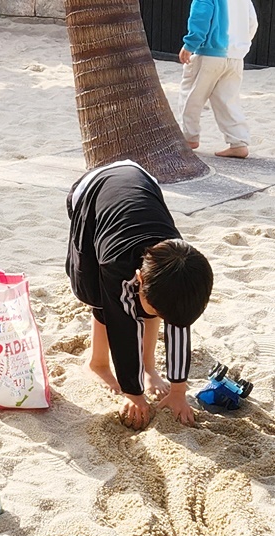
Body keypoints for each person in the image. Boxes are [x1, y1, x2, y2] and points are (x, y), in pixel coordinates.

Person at [66, 160, 214, 430]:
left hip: (143, 183)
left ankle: (148, 367)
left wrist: (178, 390)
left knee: (159, 303)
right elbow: (122, 326)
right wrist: (133, 393)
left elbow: (179, 322)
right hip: (90, 194)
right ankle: (97, 363)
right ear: (139, 277)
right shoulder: (116, 263)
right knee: (99, 295)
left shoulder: (181, 263)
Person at [178, 0, 258, 159]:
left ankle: (189, 137)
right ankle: (238, 143)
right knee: (228, 101)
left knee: (191, 96)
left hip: (209, 53)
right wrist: (241, 46)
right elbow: (252, 22)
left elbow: (201, 16)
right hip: (235, 57)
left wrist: (190, 44)